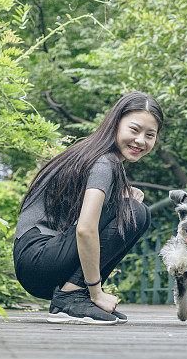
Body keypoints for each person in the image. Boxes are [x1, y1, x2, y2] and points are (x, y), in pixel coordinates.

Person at [13, 91, 163, 324]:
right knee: (136, 212)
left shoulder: (97, 156)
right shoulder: (105, 162)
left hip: (38, 264)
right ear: (115, 123)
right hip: (38, 260)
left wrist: (122, 199)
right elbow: (85, 228)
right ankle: (73, 296)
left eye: (150, 135)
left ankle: (74, 294)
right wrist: (97, 291)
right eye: (134, 130)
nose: (141, 140)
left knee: (135, 211)